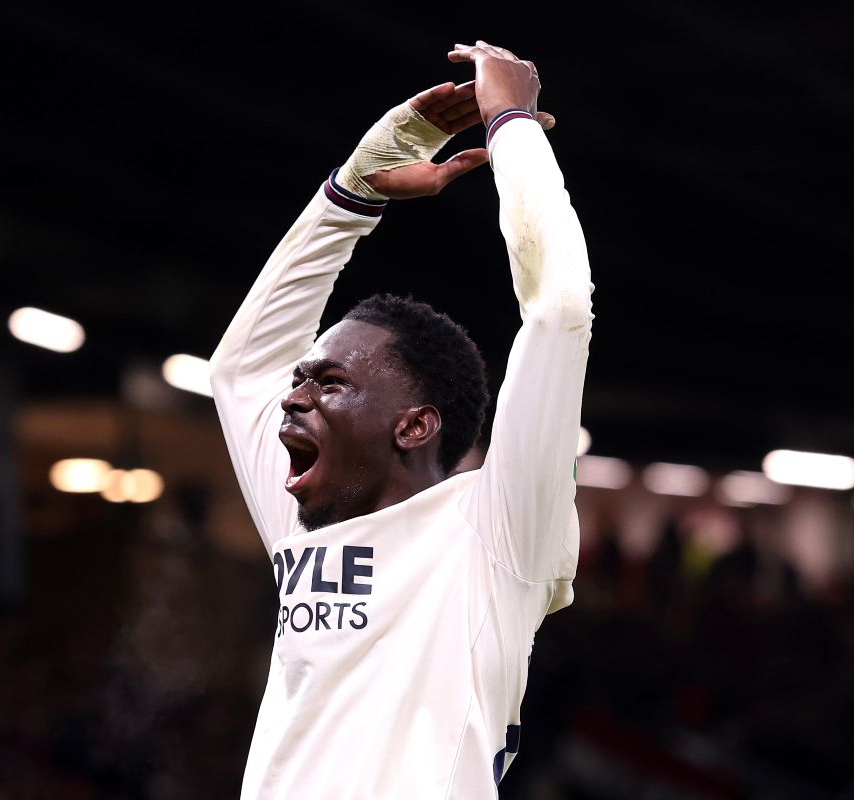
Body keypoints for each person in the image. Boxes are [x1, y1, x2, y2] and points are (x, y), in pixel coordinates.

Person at [209, 40, 594, 798]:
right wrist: (352, 191)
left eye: (330, 383)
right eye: (302, 382)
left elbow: (559, 311)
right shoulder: (305, 523)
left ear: (415, 426)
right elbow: (242, 371)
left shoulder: (496, 531)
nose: (293, 397)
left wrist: (510, 122)